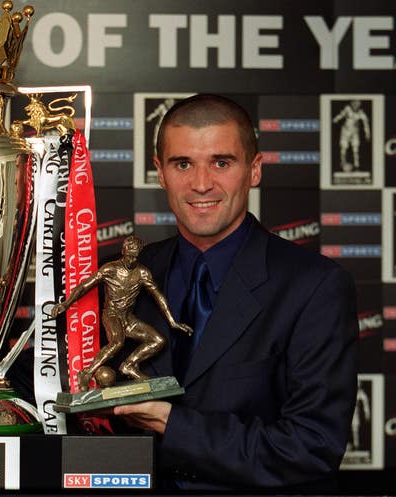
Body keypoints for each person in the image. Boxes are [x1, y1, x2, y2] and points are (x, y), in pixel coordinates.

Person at [109, 94, 358, 491]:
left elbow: (312, 447)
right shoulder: (126, 274)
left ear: (254, 170)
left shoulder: (314, 286)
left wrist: (173, 425)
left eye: (221, 163)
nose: (201, 183)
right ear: (160, 171)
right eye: (182, 164)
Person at [51, 236, 191, 391]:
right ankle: (86, 373)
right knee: (118, 342)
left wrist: (172, 321)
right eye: (129, 256)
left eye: (135, 256)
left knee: (158, 341)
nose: (132, 260)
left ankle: (129, 365)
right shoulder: (110, 269)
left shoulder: (143, 273)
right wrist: (66, 303)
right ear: (123, 252)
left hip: (128, 317)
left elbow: (158, 296)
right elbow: (85, 286)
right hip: (111, 315)